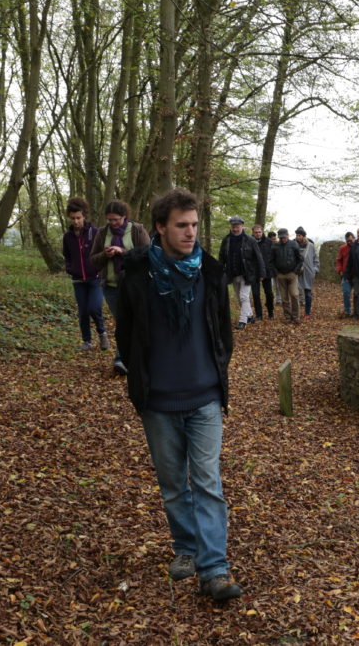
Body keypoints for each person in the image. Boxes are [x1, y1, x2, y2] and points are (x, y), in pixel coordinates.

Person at [116, 188, 241, 601]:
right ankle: (185, 548)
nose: (190, 233)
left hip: (204, 397)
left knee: (207, 481)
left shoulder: (210, 270)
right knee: (173, 485)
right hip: (158, 400)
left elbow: (222, 330)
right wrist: (141, 378)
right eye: (181, 226)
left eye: (194, 225)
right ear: (160, 228)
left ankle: (215, 569)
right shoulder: (136, 273)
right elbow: (127, 333)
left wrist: (215, 370)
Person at [90, 199, 150, 374]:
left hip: (135, 286)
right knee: (123, 322)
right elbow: (93, 260)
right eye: (110, 220)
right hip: (111, 287)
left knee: (133, 322)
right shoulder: (102, 233)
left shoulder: (137, 230)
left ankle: (132, 358)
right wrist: (105, 254)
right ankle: (122, 359)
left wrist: (122, 252)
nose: (113, 223)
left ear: (124, 217)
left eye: (116, 219)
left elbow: (147, 255)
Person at [62, 197, 109, 351]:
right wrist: (70, 268)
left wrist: (99, 268)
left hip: (95, 278)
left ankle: (102, 333)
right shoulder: (67, 237)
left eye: (78, 218)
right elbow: (67, 256)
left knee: (94, 308)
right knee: (83, 312)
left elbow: (103, 253)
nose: (76, 221)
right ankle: (87, 342)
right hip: (78, 280)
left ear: (84, 216)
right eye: (73, 218)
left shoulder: (95, 233)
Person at [219, 216, 266, 329]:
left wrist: (262, 273)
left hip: (247, 273)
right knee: (239, 298)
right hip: (232, 273)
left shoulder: (250, 240)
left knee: (244, 297)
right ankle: (249, 316)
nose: (235, 229)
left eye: (237, 226)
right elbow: (222, 257)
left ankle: (243, 321)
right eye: (233, 227)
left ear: (242, 226)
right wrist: (220, 270)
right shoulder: (226, 240)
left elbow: (259, 257)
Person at [270, 228, 304, 323]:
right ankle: (288, 317)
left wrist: (295, 271)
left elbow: (300, 259)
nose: (283, 239)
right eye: (281, 237)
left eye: (284, 237)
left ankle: (296, 316)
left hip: (292, 274)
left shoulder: (294, 244)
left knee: (294, 295)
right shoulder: (275, 246)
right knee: (284, 298)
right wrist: (276, 273)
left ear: (288, 236)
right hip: (280, 275)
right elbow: (271, 261)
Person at [250, 224, 275, 320]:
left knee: (269, 293)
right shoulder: (249, 242)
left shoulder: (269, 242)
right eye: (256, 232)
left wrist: (271, 268)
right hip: (254, 272)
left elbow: (273, 256)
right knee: (256, 294)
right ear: (253, 233)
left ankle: (270, 312)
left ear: (262, 232)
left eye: (259, 232)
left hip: (267, 271)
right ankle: (259, 314)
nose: (258, 234)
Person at [294, 226, 320, 318]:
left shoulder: (311, 246)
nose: (298, 237)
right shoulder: (292, 245)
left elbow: (315, 259)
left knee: (308, 294)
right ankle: (296, 313)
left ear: (304, 236)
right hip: (296, 272)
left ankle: (307, 313)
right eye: (297, 235)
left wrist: (315, 270)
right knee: (295, 294)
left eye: (300, 235)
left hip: (308, 273)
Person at [335, 232, 355, 318]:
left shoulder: (358, 247)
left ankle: (358, 311)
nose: (349, 242)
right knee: (346, 293)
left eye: (350, 240)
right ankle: (347, 311)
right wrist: (340, 270)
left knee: (358, 294)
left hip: (356, 275)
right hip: (346, 275)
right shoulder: (343, 248)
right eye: (347, 241)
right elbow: (339, 260)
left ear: (354, 238)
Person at [268, 230, 282, 306]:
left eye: (274, 239)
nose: (274, 240)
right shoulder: (266, 246)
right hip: (269, 269)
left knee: (277, 286)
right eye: (272, 239)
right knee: (271, 286)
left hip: (276, 269)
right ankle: (271, 299)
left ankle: (278, 300)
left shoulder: (278, 246)